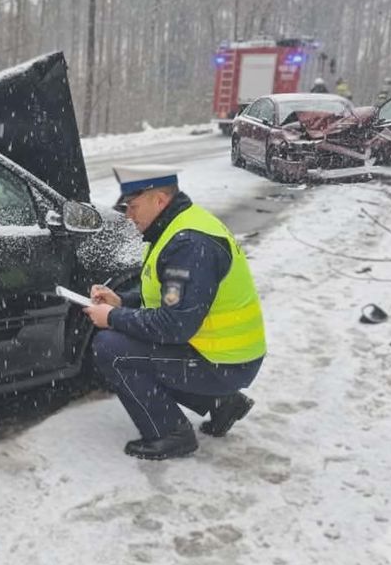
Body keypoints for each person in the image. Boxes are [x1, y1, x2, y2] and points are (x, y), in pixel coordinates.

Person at [82, 165, 266, 460]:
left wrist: (112, 318)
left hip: (224, 361)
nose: (129, 215)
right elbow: (167, 298)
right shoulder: (175, 228)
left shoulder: (189, 244)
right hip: (219, 353)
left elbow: (174, 326)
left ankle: (170, 434)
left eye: (133, 206)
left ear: (160, 200)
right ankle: (222, 403)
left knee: (111, 349)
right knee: (127, 341)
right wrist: (121, 302)